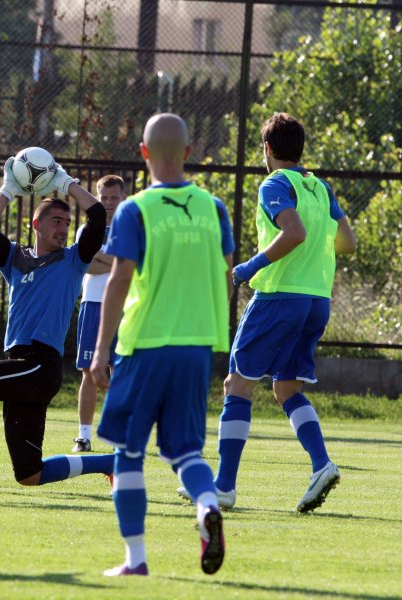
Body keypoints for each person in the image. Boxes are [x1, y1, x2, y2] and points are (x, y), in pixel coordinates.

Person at [179, 112, 357, 514]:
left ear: (268, 149)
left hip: (279, 297)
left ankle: (223, 487)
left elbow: (293, 232)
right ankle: (321, 465)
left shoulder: (275, 183)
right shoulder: (319, 187)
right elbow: (347, 242)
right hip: (316, 300)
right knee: (285, 389)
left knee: (237, 385)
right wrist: (314, 256)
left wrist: (249, 267)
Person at [91, 113, 233, 576]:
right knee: (185, 452)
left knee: (127, 454)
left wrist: (99, 350)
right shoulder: (215, 208)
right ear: (189, 153)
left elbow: (118, 280)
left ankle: (136, 560)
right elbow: (227, 271)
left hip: (146, 343)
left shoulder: (135, 210)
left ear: (144, 154)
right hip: (197, 346)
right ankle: (207, 503)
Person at [0, 161, 115, 491]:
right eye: (56, 221)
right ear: (36, 224)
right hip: (23, 365)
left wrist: (66, 182)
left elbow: (97, 216)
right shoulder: (16, 258)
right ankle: (111, 463)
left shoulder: (74, 260)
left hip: (39, 364)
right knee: (30, 475)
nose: (63, 228)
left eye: (67, 223)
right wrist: (7, 190)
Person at [71, 174, 126, 453]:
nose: (107, 203)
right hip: (92, 304)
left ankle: (118, 437)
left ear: (123, 198)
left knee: (121, 372)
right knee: (89, 374)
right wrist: (116, 261)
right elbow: (86, 264)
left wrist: (101, 257)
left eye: (113, 197)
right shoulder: (85, 231)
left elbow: (135, 266)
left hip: (125, 308)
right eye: (103, 197)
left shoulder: (131, 229)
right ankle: (83, 435)